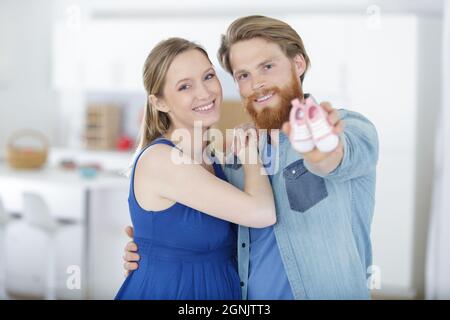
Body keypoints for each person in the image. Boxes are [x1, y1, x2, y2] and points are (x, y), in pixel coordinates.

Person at [123, 16, 379, 300]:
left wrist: (320, 150)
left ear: (298, 64)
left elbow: (334, 158)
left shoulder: (350, 127)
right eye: (243, 75)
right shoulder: (234, 159)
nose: (256, 83)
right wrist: (156, 250)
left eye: (267, 67)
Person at [115, 37, 276, 300]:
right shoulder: (161, 160)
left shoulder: (213, 159)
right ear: (159, 103)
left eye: (208, 76)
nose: (204, 92)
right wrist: (250, 154)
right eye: (184, 86)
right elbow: (262, 212)